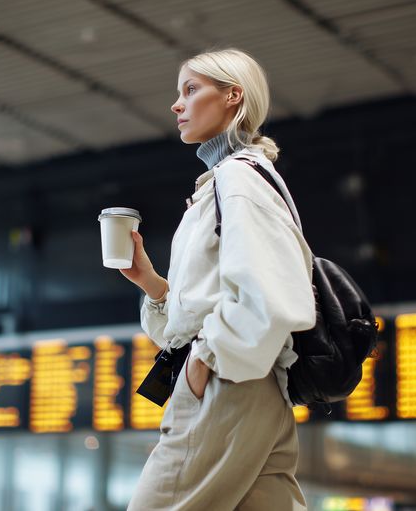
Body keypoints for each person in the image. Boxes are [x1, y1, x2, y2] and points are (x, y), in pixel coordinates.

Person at [119, 48, 315, 510]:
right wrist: (152, 283)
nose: (177, 104)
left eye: (191, 89)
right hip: (258, 387)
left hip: (227, 385)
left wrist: (204, 361)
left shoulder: (237, 179)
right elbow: (212, 302)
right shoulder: (232, 181)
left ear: (233, 96)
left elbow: (271, 294)